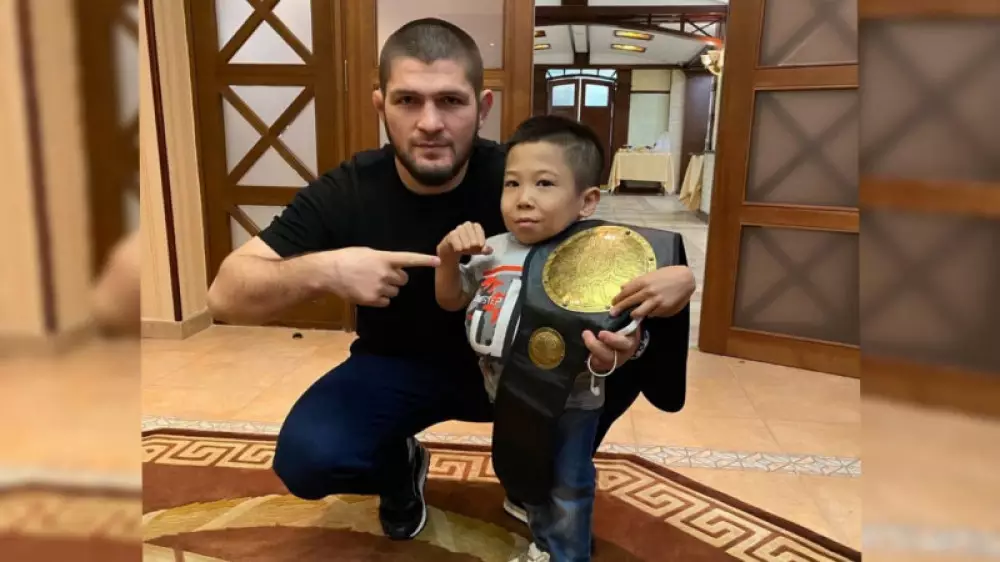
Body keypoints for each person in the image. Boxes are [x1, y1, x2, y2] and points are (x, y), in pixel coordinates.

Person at [207, 18, 694, 543]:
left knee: (618, 362)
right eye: (408, 101)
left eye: (450, 101)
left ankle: (535, 476)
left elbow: (605, 253)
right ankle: (399, 468)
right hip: (396, 366)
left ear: (482, 108)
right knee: (309, 460)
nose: (430, 123)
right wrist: (329, 268)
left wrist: (674, 285)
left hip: (520, 365)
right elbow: (225, 295)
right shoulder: (348, 189)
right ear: (381, 106)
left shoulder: (522, 177)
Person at [437, 115, 653, 561]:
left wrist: (611, 354)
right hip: (508, 394)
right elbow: (452, 299)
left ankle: (568, 554)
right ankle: (544, 542)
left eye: (545, 184)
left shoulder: (596, 256)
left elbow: (623, 327)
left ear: (587, 200)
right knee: (526, 474)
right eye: (512, 184)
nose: (524, 199)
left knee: (569, 482)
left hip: (572, 400)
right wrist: (447, 259)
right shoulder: (492, 249)